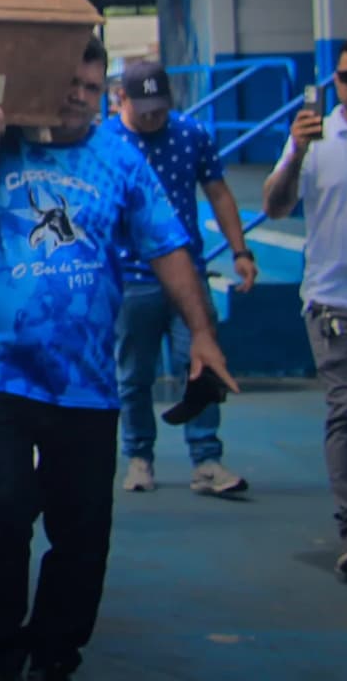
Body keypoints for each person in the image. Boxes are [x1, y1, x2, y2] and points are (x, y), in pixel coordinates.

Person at [0, 39, 236, 680]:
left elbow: (167, 246)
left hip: (84, 377)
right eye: (67, 79)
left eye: (92, 83)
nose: (79, 93)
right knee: (1, 511)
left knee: (82, 528)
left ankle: (54, 654)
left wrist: (202, 334)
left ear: (107, 89)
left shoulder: (118, 156)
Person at [104, 60, 255, 496]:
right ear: (121, 100)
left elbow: (219, 193)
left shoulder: (191, 134)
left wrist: (240, 250)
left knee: (203, 365)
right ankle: (138, 456)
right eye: (144, 108)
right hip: (132, 278)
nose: (153, 117)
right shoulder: (105, 143)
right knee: (133, 374)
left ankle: (206, 459)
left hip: (188, 273)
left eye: (160, 108)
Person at [262, 43, 347, 583]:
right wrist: (294, 152)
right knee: (345, 410)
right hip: (332, 303)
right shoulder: (316, 142)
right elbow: (274, 205)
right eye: (345, 77)